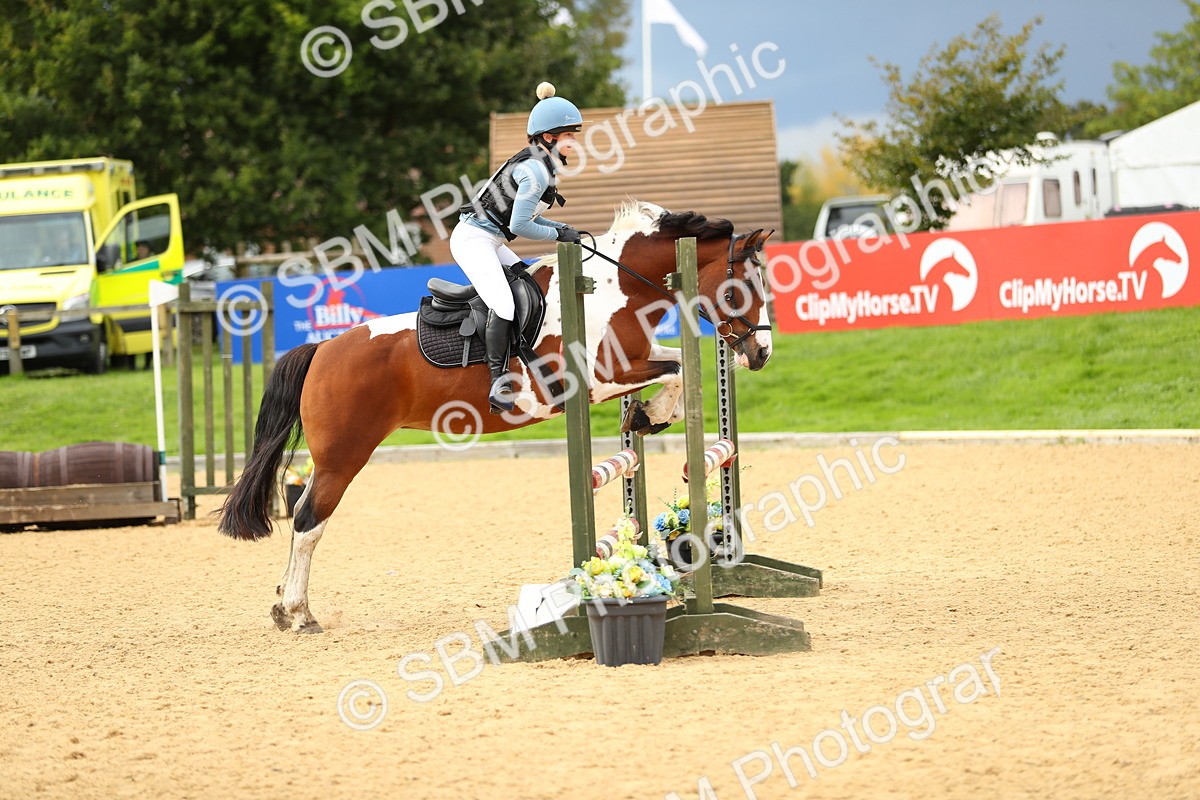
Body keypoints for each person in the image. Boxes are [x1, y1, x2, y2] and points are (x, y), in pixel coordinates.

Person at [453, 81, 584, 413]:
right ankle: (498, 381)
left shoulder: (542, 165)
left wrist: (563, 229)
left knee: (529, 284)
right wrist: (559, 233)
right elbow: (519, 226)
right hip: (474, 241)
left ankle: (530, 355)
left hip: (491, 239)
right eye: (569, 134)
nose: (574, 141)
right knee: (505, 305)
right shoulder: (536, 172)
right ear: (549, 137)